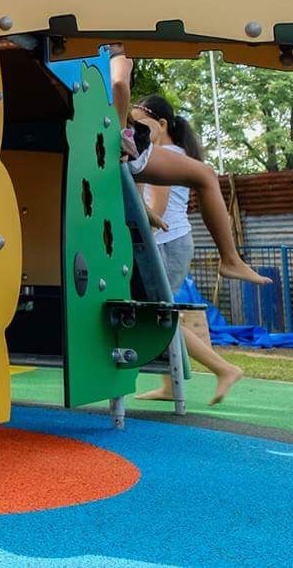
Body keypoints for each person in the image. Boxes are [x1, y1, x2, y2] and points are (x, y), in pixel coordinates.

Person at [110, 53, 269, 287]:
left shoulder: (167, 152)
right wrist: (121, 132)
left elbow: (137, 175)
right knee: (205, 176)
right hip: (170, 239)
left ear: (162, 124)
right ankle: (230, 258)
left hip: (171, 238)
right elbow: (119, 83)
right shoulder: (118, 51)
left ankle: (231, 259)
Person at [132, 96, 244, 405]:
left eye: (140, 123)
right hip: (175, 242)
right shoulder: (176, 153)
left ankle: (224, 368)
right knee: (162, 315)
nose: (135, 130)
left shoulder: (164, 154)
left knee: (159, 315)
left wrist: (141, 234)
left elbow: (160, 207)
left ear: (162, 124)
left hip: (165, 243)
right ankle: (170, 385)